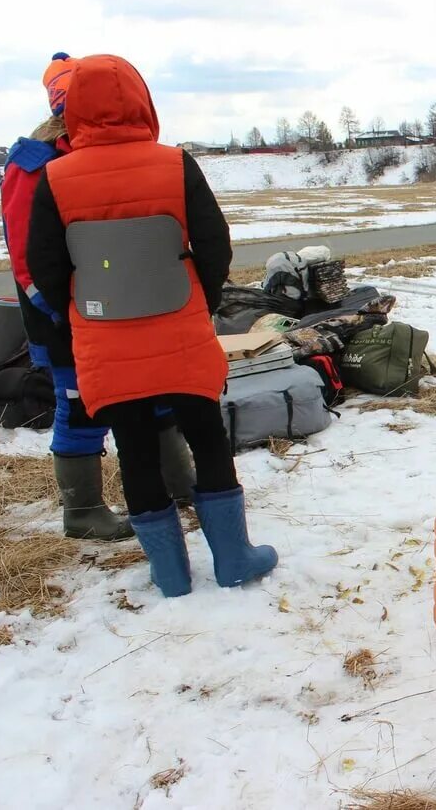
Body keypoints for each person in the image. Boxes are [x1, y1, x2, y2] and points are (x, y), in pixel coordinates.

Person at [27, 54, 277, 598]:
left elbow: (45, 266)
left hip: (104, 338)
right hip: (179, 329)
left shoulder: (54, 177)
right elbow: (214, 244)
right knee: (208, 438)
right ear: (142, 100)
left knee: (133, 448)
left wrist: (86, 309)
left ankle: (170, 574)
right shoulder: (176, 163)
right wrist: (198, 301)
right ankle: (233, 558)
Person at [0, 53, 195, 542]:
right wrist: (62, 311)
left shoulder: (100, 153)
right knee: (82, 402)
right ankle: (83, 510)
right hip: (65, 313)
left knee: (156, 391)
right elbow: (29, 258)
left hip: (121, 304)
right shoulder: (34, 165)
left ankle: (181, 483)